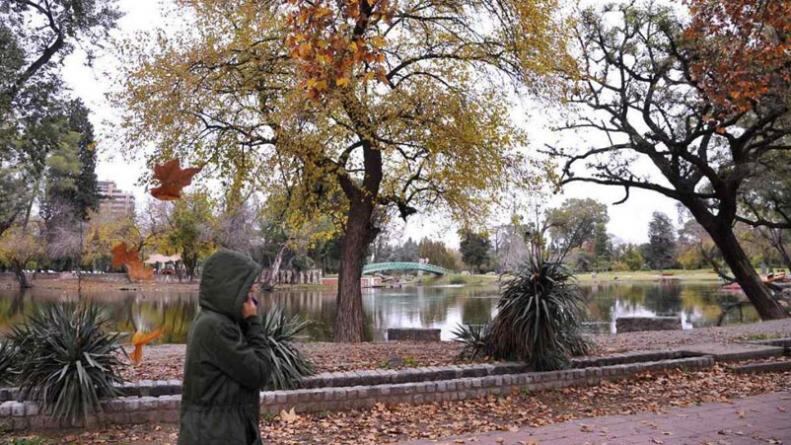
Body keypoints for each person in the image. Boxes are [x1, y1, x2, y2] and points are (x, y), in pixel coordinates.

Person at [178, 249, 270, 445]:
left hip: (218, 429)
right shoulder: (216, 326)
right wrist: (253, 321)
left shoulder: (216, 320)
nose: (252, 295)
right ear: (231, 287)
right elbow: (259, 372)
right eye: (248, 288)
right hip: (216, 433)